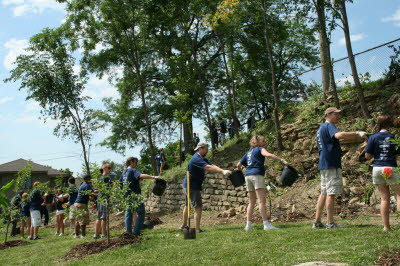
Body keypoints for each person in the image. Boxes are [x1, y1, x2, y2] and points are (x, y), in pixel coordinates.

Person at [313, 107, 367, 229]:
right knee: (330, 193)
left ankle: (317, 222)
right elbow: (340, 135)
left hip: (324, 163)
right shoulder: (329, 126)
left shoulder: (321, 128)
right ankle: (330, 223)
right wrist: (357, 133)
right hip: (331, 164)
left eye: (338, 114)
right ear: (328, 115)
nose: (338, 116)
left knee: (324, 192)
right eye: (335, 114)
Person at [237, 135, 288, 231]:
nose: (264, 143)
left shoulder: (248, 152)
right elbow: (268, 155)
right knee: (261, 201)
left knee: (251, 202)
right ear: (258, 142)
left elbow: (238, 165)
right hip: (257, 175)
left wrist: (241, 172)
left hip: (247, 176)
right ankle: (266, 224)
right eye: (263, 141)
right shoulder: (260, 149)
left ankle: (248, 225)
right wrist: (281, 160)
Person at [181, 142, 232, 233]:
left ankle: (184, 225)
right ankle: (197, 229)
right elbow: (208, 167)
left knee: (187, 205)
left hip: (188, 184)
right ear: (200, 148)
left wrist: (222, 170)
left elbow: (211, 165)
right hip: (192, 186)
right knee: (198, 206)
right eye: (206, 149)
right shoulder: (196, 159)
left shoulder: (201, 158)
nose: (207, 151)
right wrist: (222, 172)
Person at [365, 114, 400, 231]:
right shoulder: (393, 137)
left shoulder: (373, 137)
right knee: (398, 195)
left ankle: (386, 226)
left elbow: (367, 155)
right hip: (389, 167)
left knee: (384, 198)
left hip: (378, 167)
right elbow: (397, 153)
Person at [121, 157, 160, 236]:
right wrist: (153, 177)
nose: (136, 164)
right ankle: (136, 232)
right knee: (141, 213)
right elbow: (141, 175)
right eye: (135, 162)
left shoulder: (123, 173)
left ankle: (128, 232)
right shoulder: (133, 170)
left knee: (128, 213)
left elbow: (120, 184)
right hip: (135, 195)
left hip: (127, 196)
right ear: (131, 162)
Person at [94, 163, 113, 239]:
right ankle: (103, 234)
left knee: (99, 217)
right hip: (104, 199)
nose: (110, 169)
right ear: (104, 168)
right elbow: (108, 189)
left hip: (99, 199)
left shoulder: (100, 178)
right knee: (104, 217)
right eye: (109, 168)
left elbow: (97, 189)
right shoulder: (106, 178)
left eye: (110, 168)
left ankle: (96, 234)